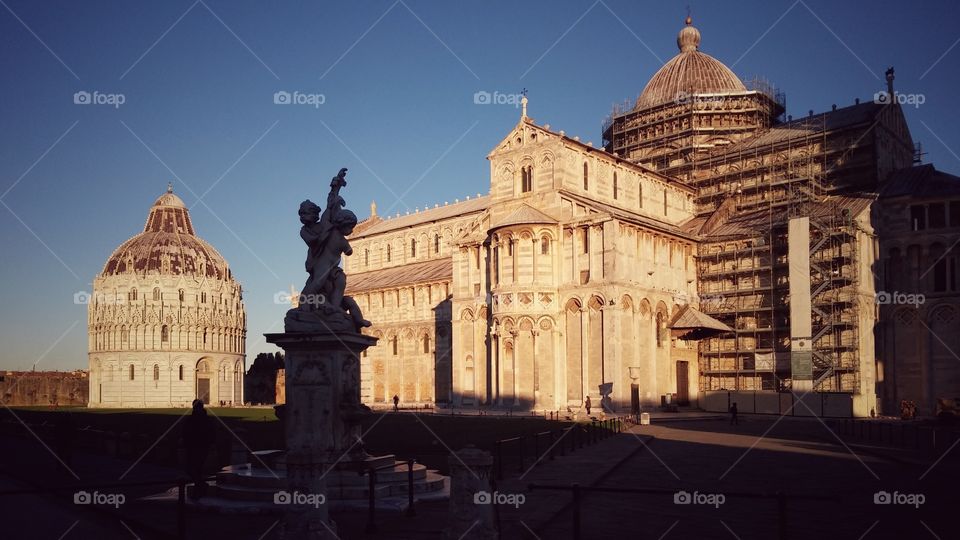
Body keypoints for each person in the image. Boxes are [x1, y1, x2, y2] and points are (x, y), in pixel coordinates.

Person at [182, 399, 214, 499]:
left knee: (193, 468)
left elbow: (185, 432)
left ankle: (199, 488)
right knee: (196, 469)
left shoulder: (193, 419)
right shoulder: (205, 419)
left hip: (197, 447)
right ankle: (200, 486)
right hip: (198, 447)